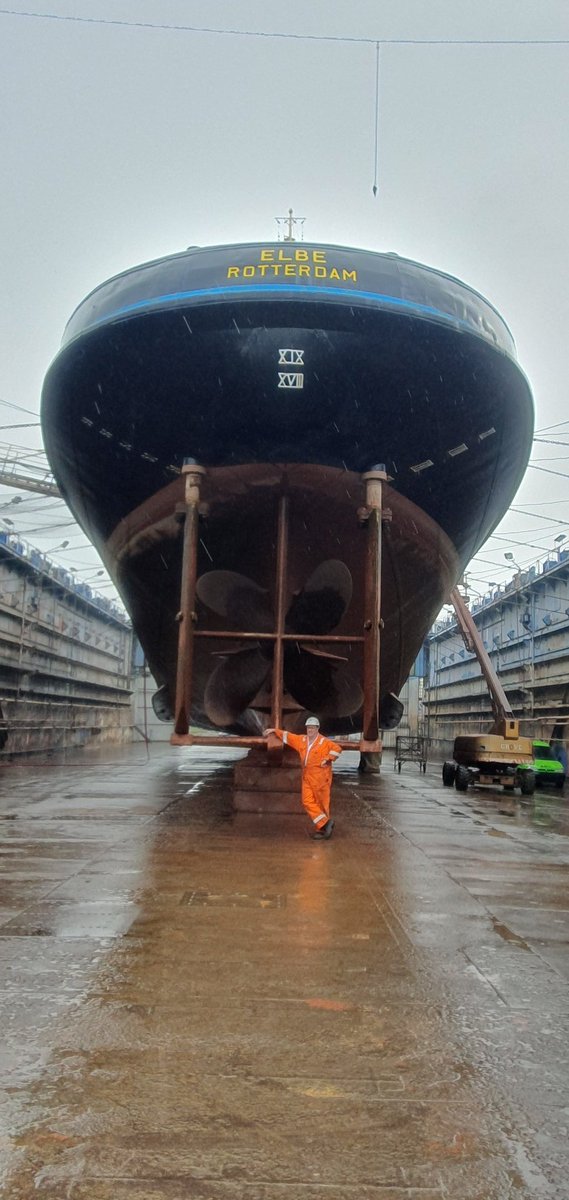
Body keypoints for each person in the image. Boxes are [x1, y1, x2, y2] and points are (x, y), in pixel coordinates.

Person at [263, 716, 342, 838]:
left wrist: (328, 759)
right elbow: (288, 737)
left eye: (312, 728)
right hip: (307, 776)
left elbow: (337, 749)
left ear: (317, 729)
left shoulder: (324, 742)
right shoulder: (302, 740)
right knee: (307, 801)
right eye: (308, 728)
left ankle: (322, 829)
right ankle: (326, 823)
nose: (310, 730)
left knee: (321, 803)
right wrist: (274, 730)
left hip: (320, 777)